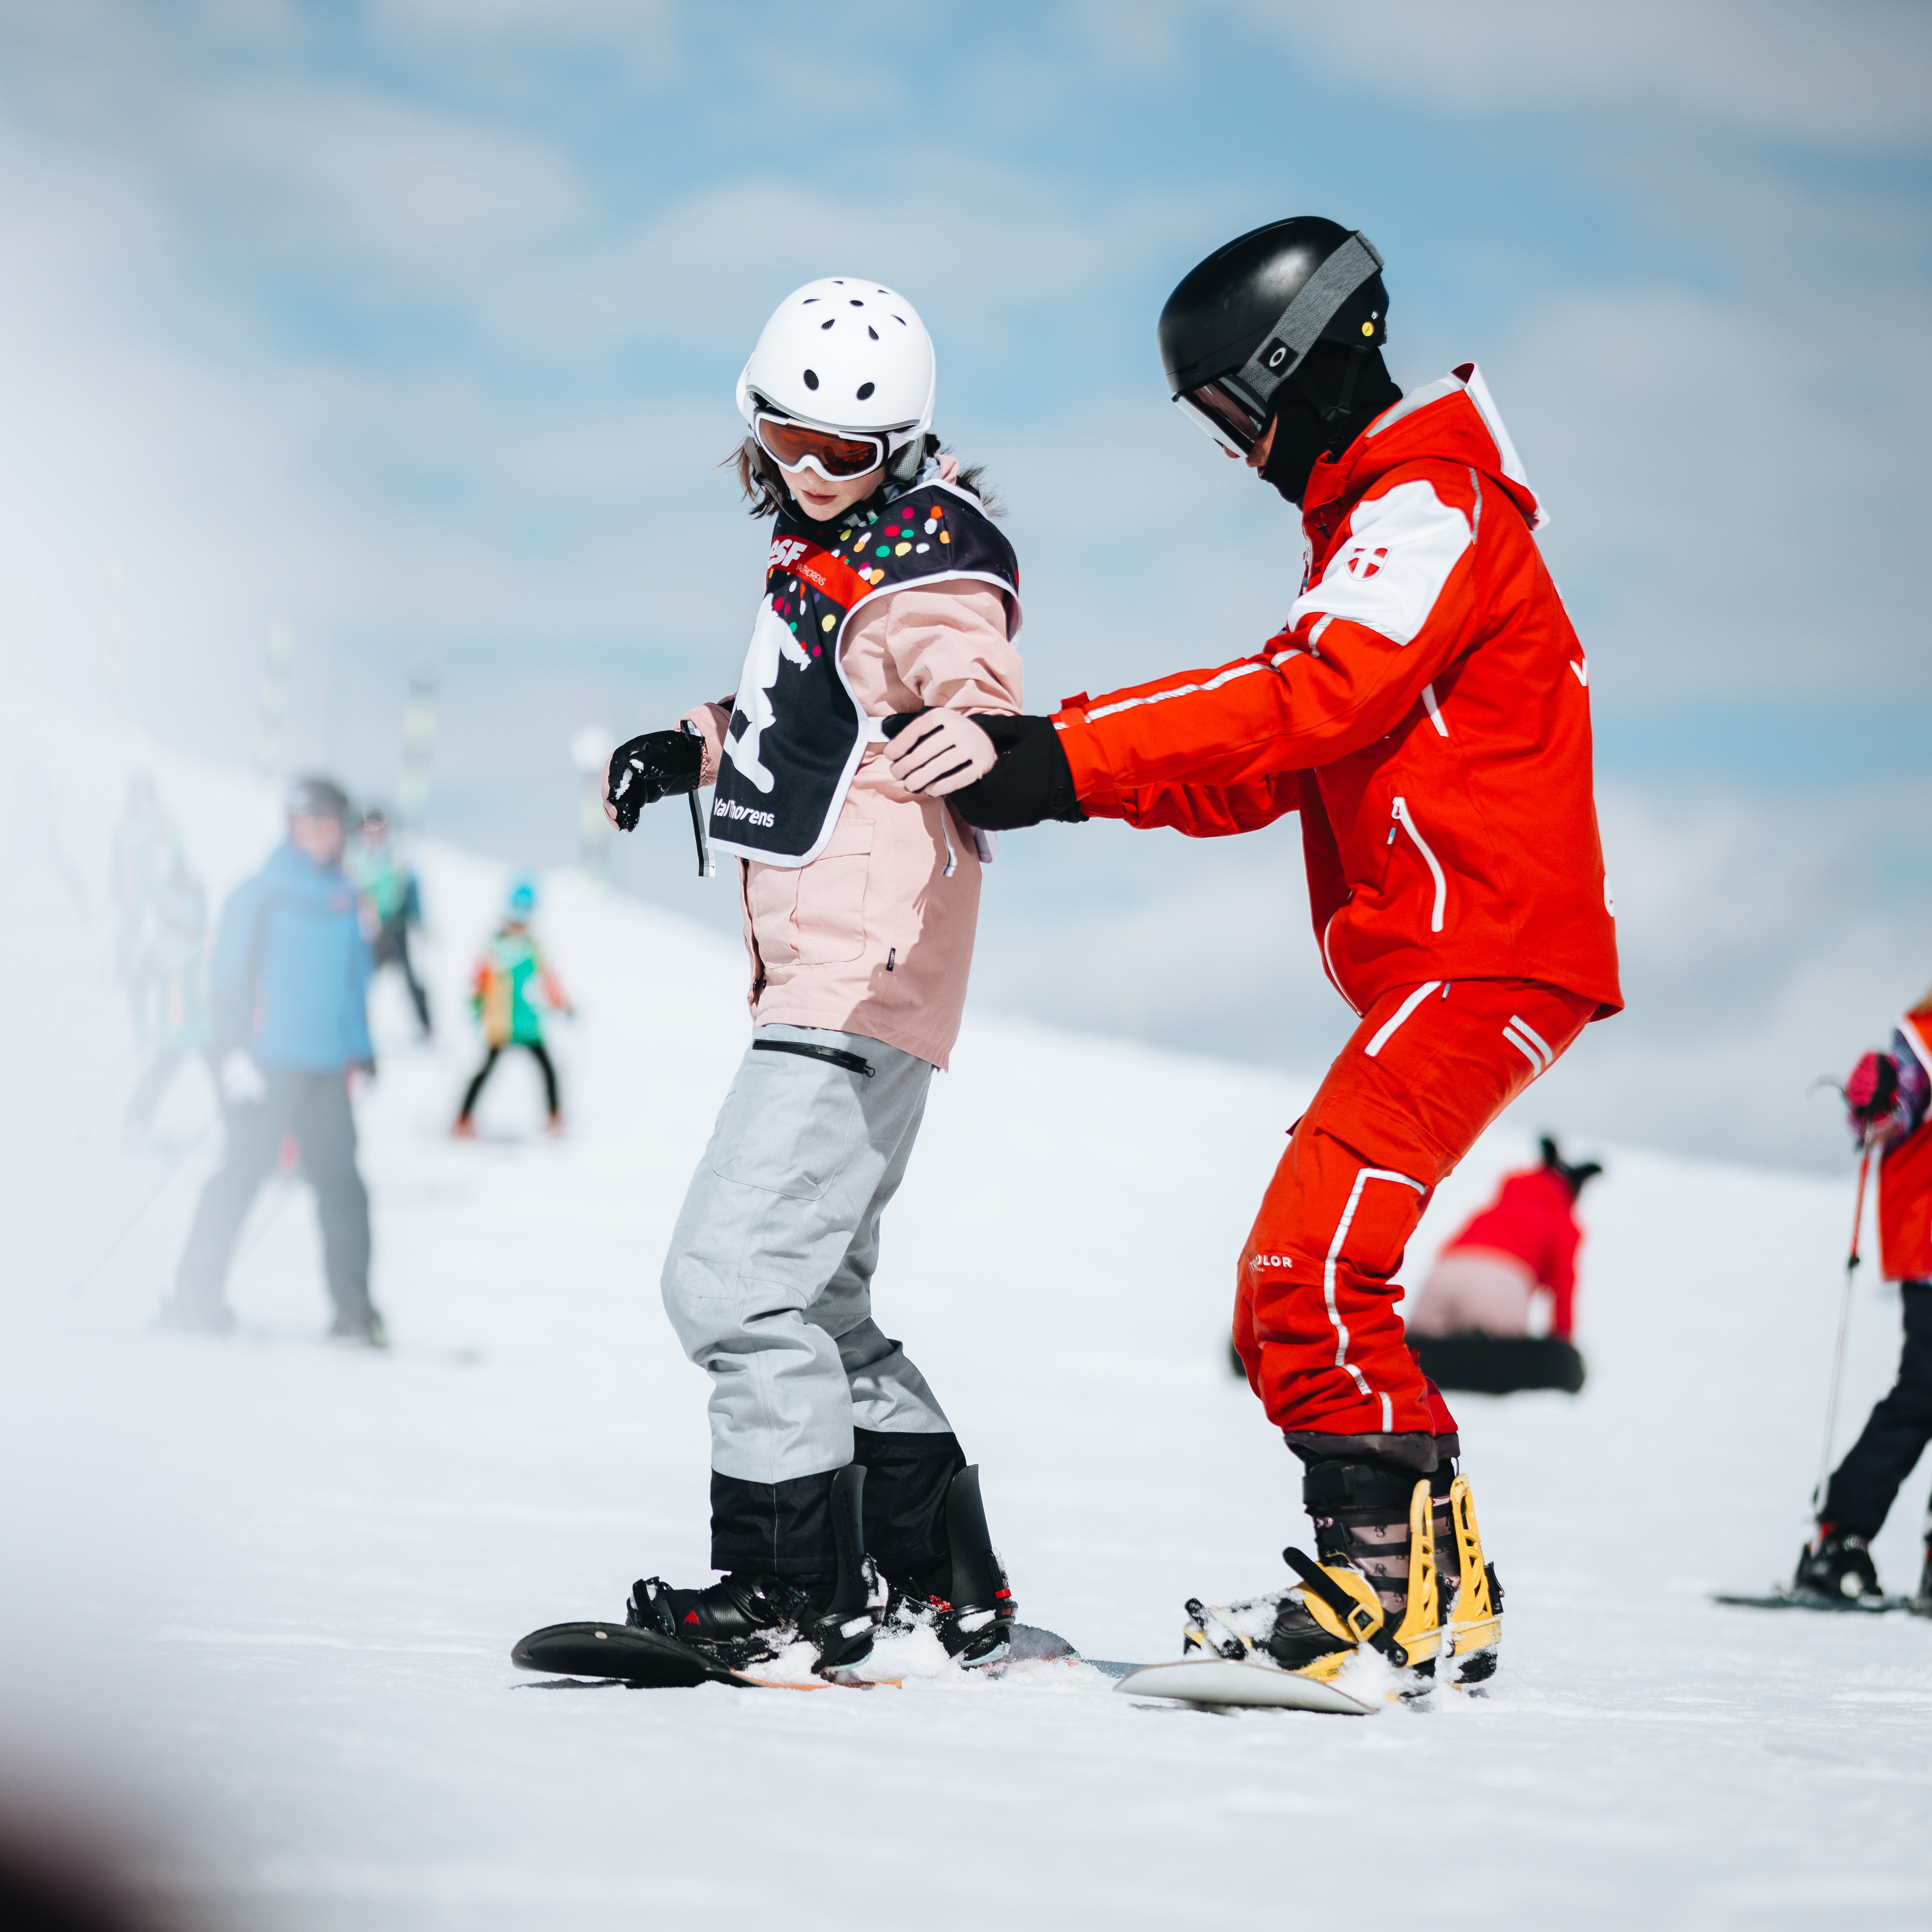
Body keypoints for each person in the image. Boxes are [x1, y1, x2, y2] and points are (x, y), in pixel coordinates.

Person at [923, 219, 1623, 1689]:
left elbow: (1307, 697)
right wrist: (1056, 778)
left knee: (1302, 1276)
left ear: (1292, 372)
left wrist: (1057, 752)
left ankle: (1369, 1608)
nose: (1236, 453)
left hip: (1480, 953)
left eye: (1234, 413)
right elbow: (1271, 765)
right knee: (1308, 1276)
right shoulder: (1388, 521)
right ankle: (1436, 1596)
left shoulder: (1428, 505)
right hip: (1458, 959)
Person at [582, 277, 1026, 1681]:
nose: (817, 475)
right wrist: (684, 750)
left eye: (850, 455)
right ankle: (942, 1588)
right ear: (755, 432)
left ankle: (787, 1596)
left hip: (855, 975)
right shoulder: (821, 559)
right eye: (791, 445)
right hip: (843, 976)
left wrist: (985, 734)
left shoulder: (929, 563)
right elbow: (801, 721)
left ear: (901, 449)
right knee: (819, 1306)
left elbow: (966, 669)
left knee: (728, 1282)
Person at [156, 777, 385, 1345]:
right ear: (296, 823)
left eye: (338, 825)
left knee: (343, 1188)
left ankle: (353, 1309)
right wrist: (231, 1053)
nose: (331, 835)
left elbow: (350, 985)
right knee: (241, 1176)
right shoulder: (258, 894)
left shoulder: (343, 898)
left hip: (326, 1067)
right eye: (321, 822)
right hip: (265, 1064)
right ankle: (195, 1295)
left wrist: (362, 1049)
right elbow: (228, 981)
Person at [1794, 986, 1932, 1605]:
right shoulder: (1921, 1037)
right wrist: (1877, 1100)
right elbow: (1893, 1103)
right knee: (1922, 1390)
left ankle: (1845, 1538)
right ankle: (1839, 1537)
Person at [1406, 1137, 1601, 1395]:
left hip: (1445, 1272)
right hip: (1501, 1280)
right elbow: (1564, 1282)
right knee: (1501, 1355)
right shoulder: (1562, 1220)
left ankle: (1406, 1373)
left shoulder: (1493, 1207)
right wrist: (1562, 1349)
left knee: (1415, 1352)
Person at [452, 878, 572, 1136]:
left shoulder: (531, 948)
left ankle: (554, 1118)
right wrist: (475, 1006)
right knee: (485, 1070)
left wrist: (562, 1004)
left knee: (548, 1070)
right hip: (502, 1022)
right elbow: (480, 982)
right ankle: (463, 1119)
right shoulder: (496, 947)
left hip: (526, 1022)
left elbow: (548, 981)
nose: (520, 926)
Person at [124, 850, 217, 1135]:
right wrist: (141, 1025)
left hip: (207, 1024)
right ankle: (135, 1123)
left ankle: (245, 1130)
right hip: (177, 1025)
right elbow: (138, 987)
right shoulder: (162, 949)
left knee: (226, 1077)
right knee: (161, 1073)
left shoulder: (210, 943)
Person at [347, 806, 431, 1040]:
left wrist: (420, 923)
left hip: (396, 927)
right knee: (362, 979)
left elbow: (410, 892)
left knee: (410, 979)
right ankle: (353, 1026)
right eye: (370, 829)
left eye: (379, 829)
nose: (374, 834)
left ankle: (426, 1026)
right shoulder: (357, 859)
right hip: (370, 931)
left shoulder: (396, 857)